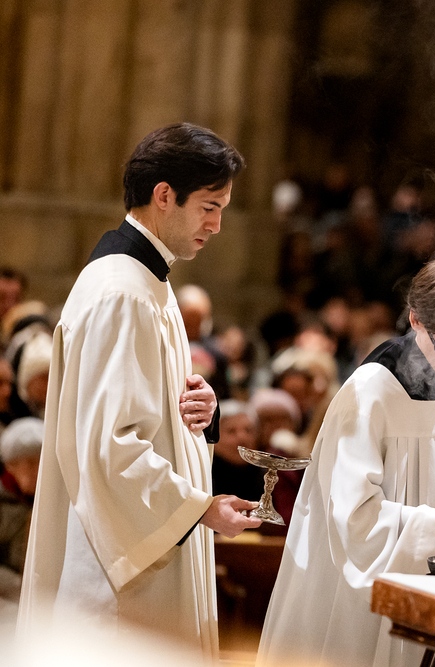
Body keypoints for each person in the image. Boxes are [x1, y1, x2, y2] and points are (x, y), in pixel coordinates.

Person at [17, 123, 260, 658]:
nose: (217, 225)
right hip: (119, 569)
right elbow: (111, 446)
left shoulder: (149, 283)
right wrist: (202, 509)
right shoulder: (123, 292)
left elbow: (144, 416)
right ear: (164, 195)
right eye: (210, 207)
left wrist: (203, 412)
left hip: (145, 545)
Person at [256, 250, 435, 667]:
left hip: (430, 578)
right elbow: (353, 516)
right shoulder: (369, 391)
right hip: (353, 590)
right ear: (416, 320)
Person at [0, 417, 43, 603]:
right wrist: (21, 589)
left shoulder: (44, 499)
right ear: (11, 466)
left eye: (42, 462)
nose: (38, 471)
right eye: (31, 463)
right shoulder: (3, 505)